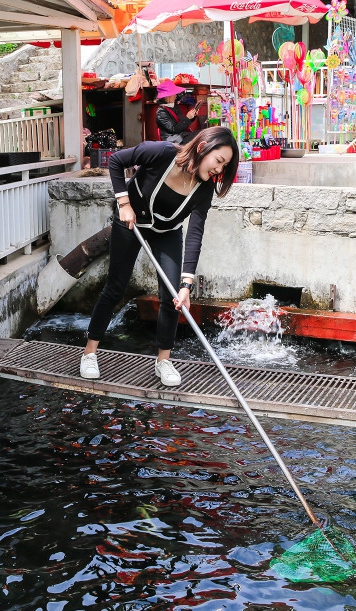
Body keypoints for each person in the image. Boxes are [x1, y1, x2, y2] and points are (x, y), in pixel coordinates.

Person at [80, 127, 240, 387]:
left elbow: (195, 234)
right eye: (218, 161)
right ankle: (89, 352)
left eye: (224, 167)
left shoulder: (203, 189)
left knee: (172, 297)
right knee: (115, 287)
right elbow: (117, 161)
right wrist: (124, 204)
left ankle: (163, 360)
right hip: (130, 223)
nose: (218, 170)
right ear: (202, 148)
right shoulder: (161, 153)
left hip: (167, 232)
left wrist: (186, 285)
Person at [155, 79, 199, 144]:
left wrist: (192, 117)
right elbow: (174, 129)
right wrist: (187, 118)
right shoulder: (161, 112)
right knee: (198, 137)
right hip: (172, 139)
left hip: (181, 135)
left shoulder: (174, 106)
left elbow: (181, 124)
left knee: (202, 134)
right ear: (167, 96)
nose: (176, 96)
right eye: (174, 94)